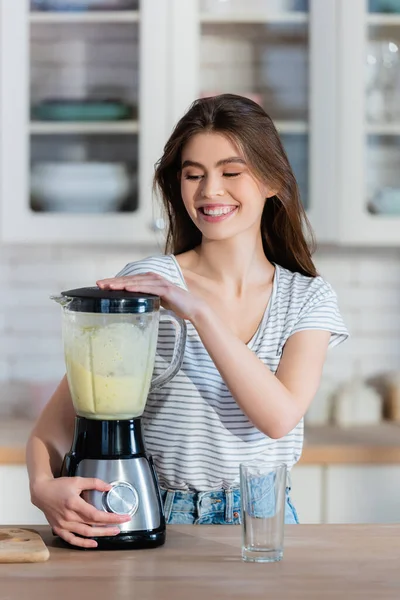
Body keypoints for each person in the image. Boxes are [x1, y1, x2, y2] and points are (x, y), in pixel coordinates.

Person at [26, 94, 348, 548]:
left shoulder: (306, 298)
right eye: (193, 174)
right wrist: (42, 488)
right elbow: (56, 427)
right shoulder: (146, 286)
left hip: (264, 523)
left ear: (273, 181)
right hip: (156, 516)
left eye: (230, 172)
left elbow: (278, 416)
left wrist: (196, 310)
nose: (209, 190)